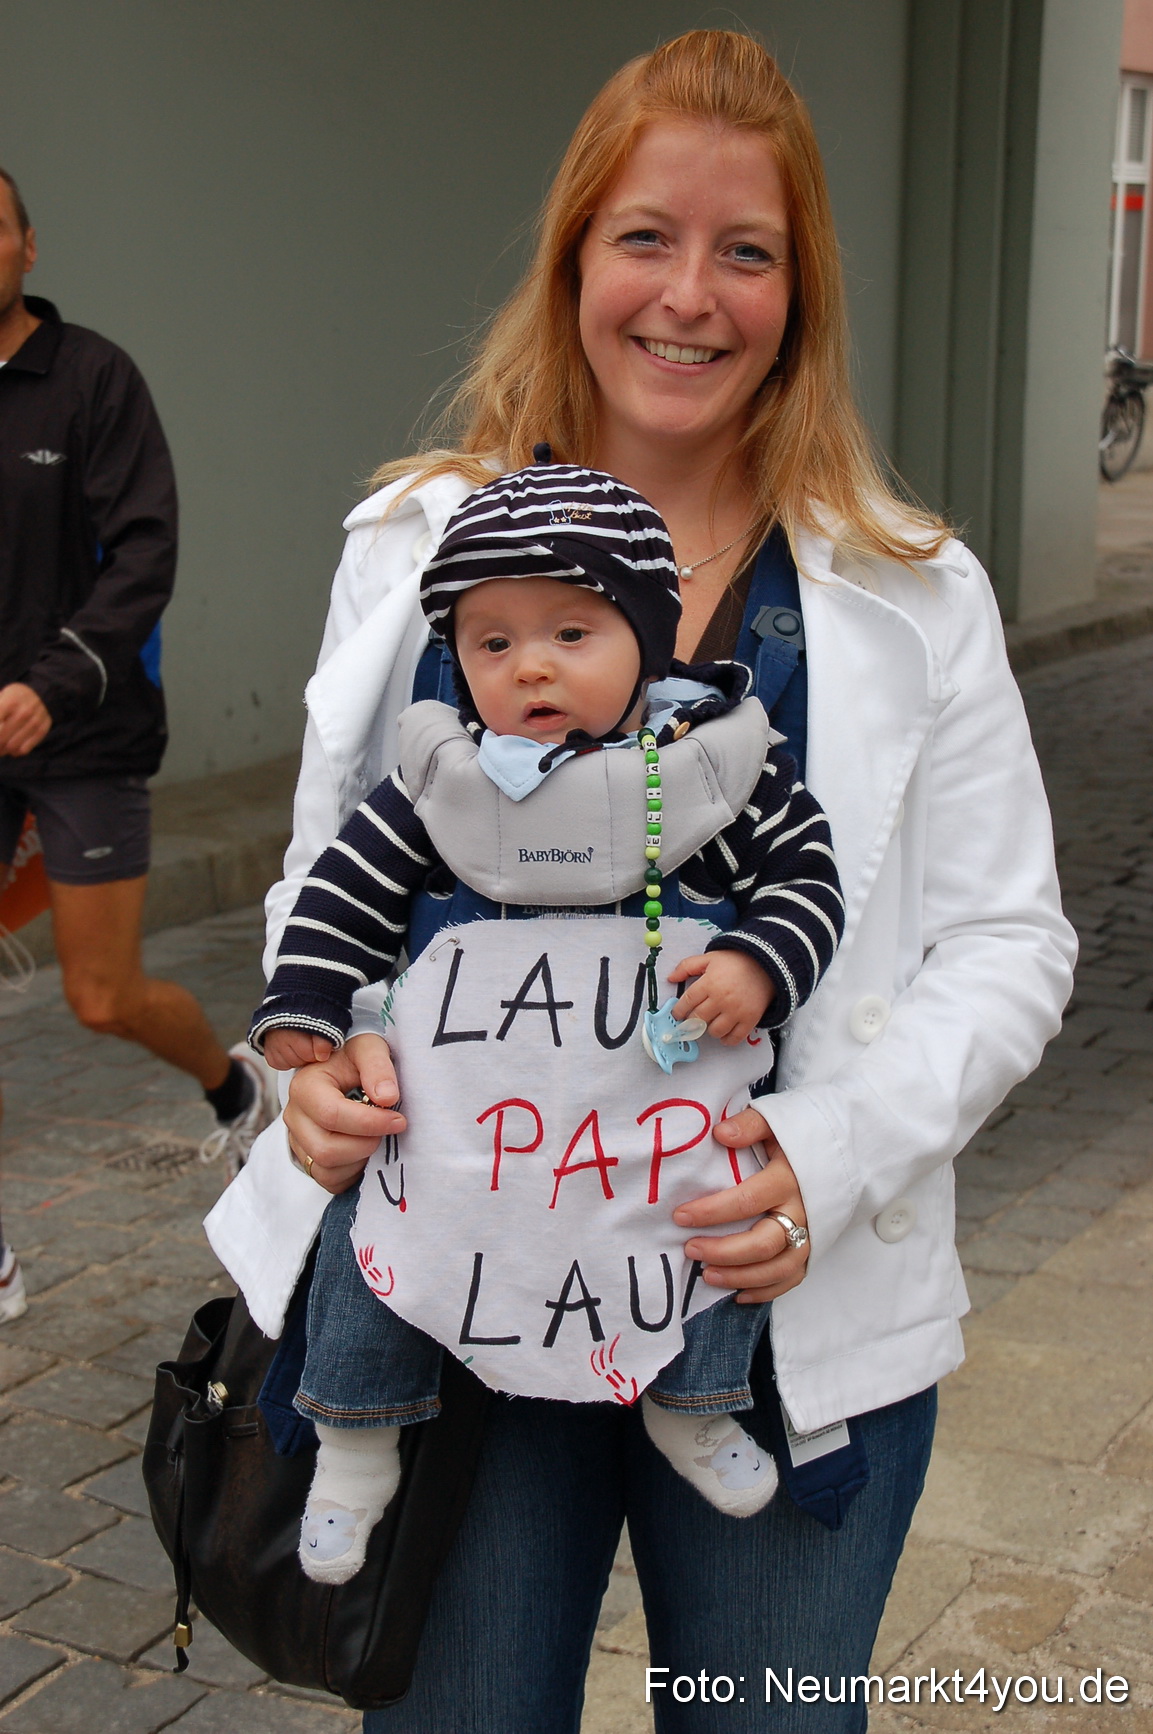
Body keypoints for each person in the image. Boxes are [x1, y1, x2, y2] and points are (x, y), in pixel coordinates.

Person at [205, 30, 1076, 1732]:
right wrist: (311, 1064)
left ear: (798, 290)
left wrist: (821, 1157)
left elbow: (1006, 940)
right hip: (452, 1291)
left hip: (768, 1304)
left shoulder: (914, 593)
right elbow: (334, 871)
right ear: (574, 262)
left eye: (744, 250)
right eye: (645, 239)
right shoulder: (411, 549)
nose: (690, 295)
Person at [250, 462, 845, 1580]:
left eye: (573, 632)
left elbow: (811, 880)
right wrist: (305, 1011)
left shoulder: (719, 769)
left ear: (652, 635)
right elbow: (344, 890)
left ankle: (694, 1403)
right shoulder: (444, 780)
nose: (529, 665)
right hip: (468, 1132)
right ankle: (353, 1440)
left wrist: (761, 962)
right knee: (376, 1250)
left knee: (708, 1242)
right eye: (492, 642)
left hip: (649, 1125)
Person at [0, 166, 276, 1323]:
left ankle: (230, 1087)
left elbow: (144, 559)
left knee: (102, 995)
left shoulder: (91, 381)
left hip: (84, 731)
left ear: (25, 245)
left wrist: (50, 686)